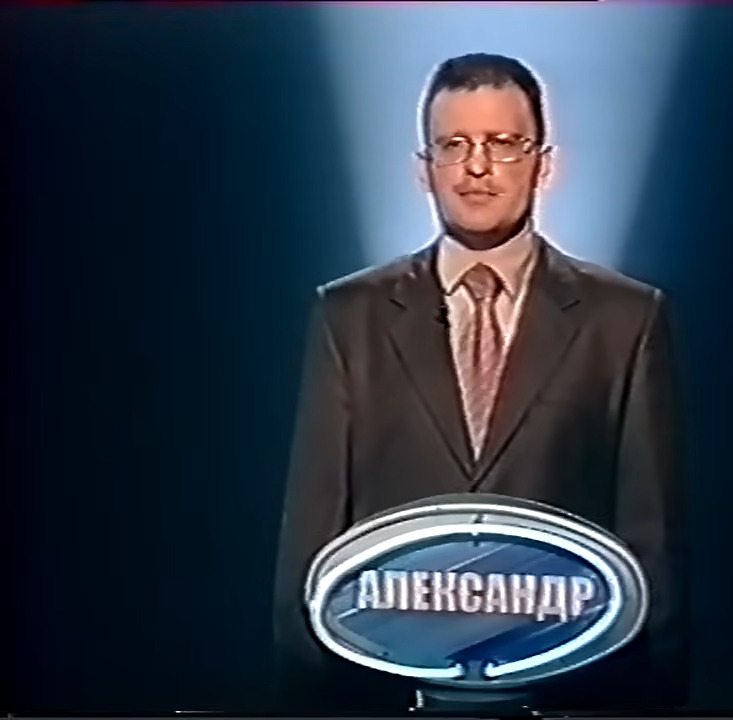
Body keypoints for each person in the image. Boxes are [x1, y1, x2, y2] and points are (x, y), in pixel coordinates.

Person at [272, 52, 687, 715]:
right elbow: (311, 546)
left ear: (543, 164)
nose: (477, 166)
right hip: (386, 695)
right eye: (454, 145)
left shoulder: (625, 319)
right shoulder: (349, 315)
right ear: (424, 169)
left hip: (566, 692)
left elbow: (652, 552)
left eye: (503, 143)